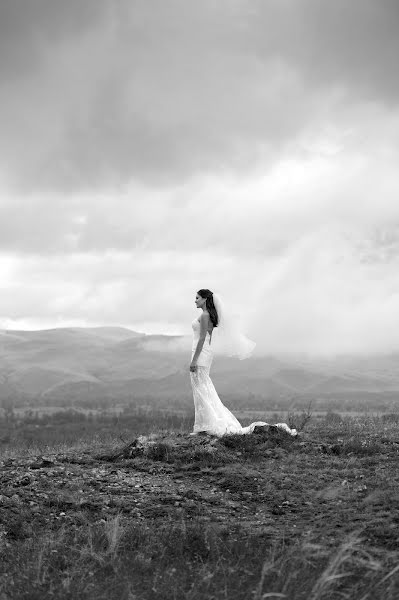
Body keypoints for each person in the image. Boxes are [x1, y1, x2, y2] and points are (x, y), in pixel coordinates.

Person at [189, 288, 297, 437]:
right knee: (202, 388)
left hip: (200, 353)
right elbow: (208, 339)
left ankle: (205, 426)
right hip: (204, 352)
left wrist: (194, 359)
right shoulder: (207, 316)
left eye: (197, 298)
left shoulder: (205, 315)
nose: (195, 300)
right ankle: (204, 425)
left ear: (205, 299)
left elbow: (202, 339)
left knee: (200, 389)